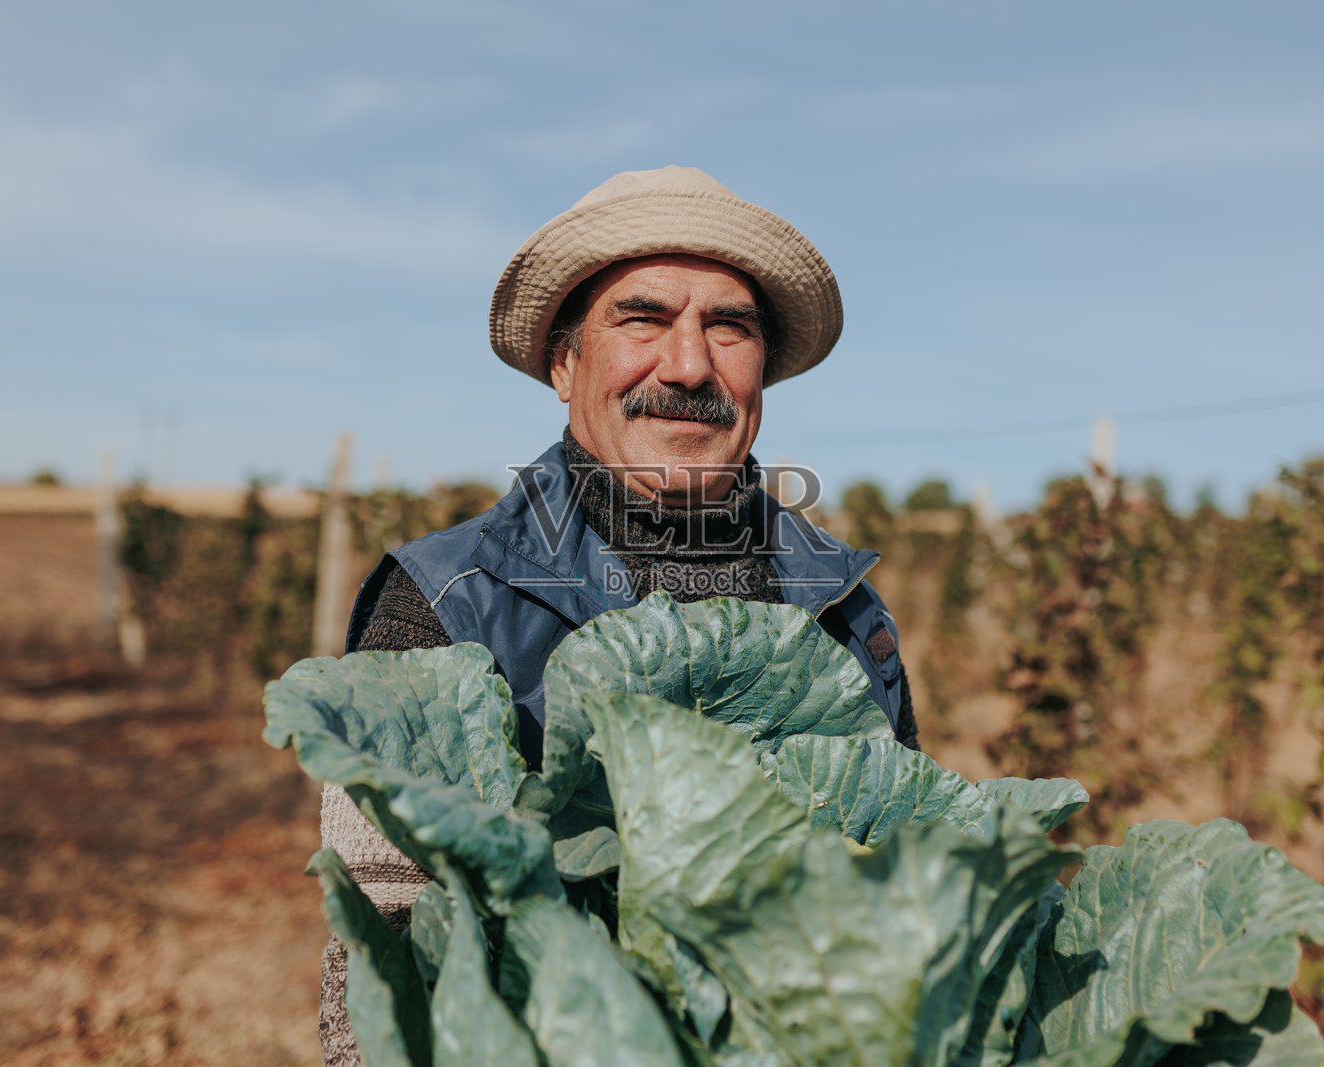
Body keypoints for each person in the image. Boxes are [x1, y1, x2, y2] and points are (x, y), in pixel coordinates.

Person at [317, 164, 918, 1065]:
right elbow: (379, 963)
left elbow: (911, 895)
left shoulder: (845, 610)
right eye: (643, 318)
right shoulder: (440, 604)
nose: (688, 365)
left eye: (730, 327)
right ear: (565, 364)